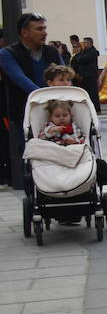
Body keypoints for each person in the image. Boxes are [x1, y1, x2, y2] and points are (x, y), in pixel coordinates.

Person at [2, 13, 63, 186]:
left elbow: (63, 74)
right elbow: (20, 79)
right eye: (39, 29)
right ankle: (35, 188)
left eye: (44, 28)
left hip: (56, 112)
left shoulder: (51, 51)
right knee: (32, 152)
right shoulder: (8, 54)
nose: (44, 32)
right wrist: (45, 97)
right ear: (24, 33)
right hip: (25, 113)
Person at [70, 36, 102, 112]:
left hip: (91, 75)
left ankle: (96, 109)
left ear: (90, 43)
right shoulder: (83, 51)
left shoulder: (93, 52)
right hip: (83, 76)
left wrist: (81, 57)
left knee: (93, 93)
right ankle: (88, 109)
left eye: (85, 42)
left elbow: (82, 59)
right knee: (86, 93)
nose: (84, 44)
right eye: (83, 42)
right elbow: (77, 60)